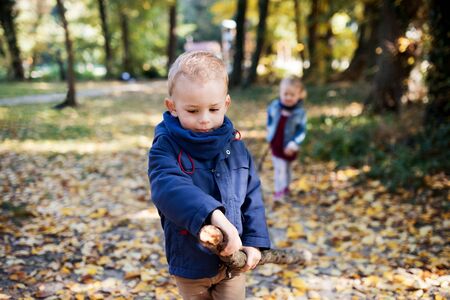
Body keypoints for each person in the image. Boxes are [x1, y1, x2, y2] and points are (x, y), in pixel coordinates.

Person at [148, 51, 271, 300]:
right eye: (192, 111)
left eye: (213, 109)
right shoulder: (165, 146)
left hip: (233, 263)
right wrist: (214, 217)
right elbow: (169, 188)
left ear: (226, 103)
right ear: (172, 107)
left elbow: (251, 195)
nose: (204, 119)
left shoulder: (235, 145)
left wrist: (255, 241)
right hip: (190, 262)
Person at [266, 76, 307, 202]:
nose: (288, 97)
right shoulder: (275, 106)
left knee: (288, 168)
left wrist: (295, 143)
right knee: (280, 169)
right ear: (280, 93)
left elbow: (301, 130)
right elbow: (270, 117)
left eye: (292, 95)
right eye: (285, 94)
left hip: (290, 147)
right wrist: (269, 130)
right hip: (277, 144)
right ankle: (279, 191)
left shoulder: (300, 112)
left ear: (299, 95)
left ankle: (286, 187)